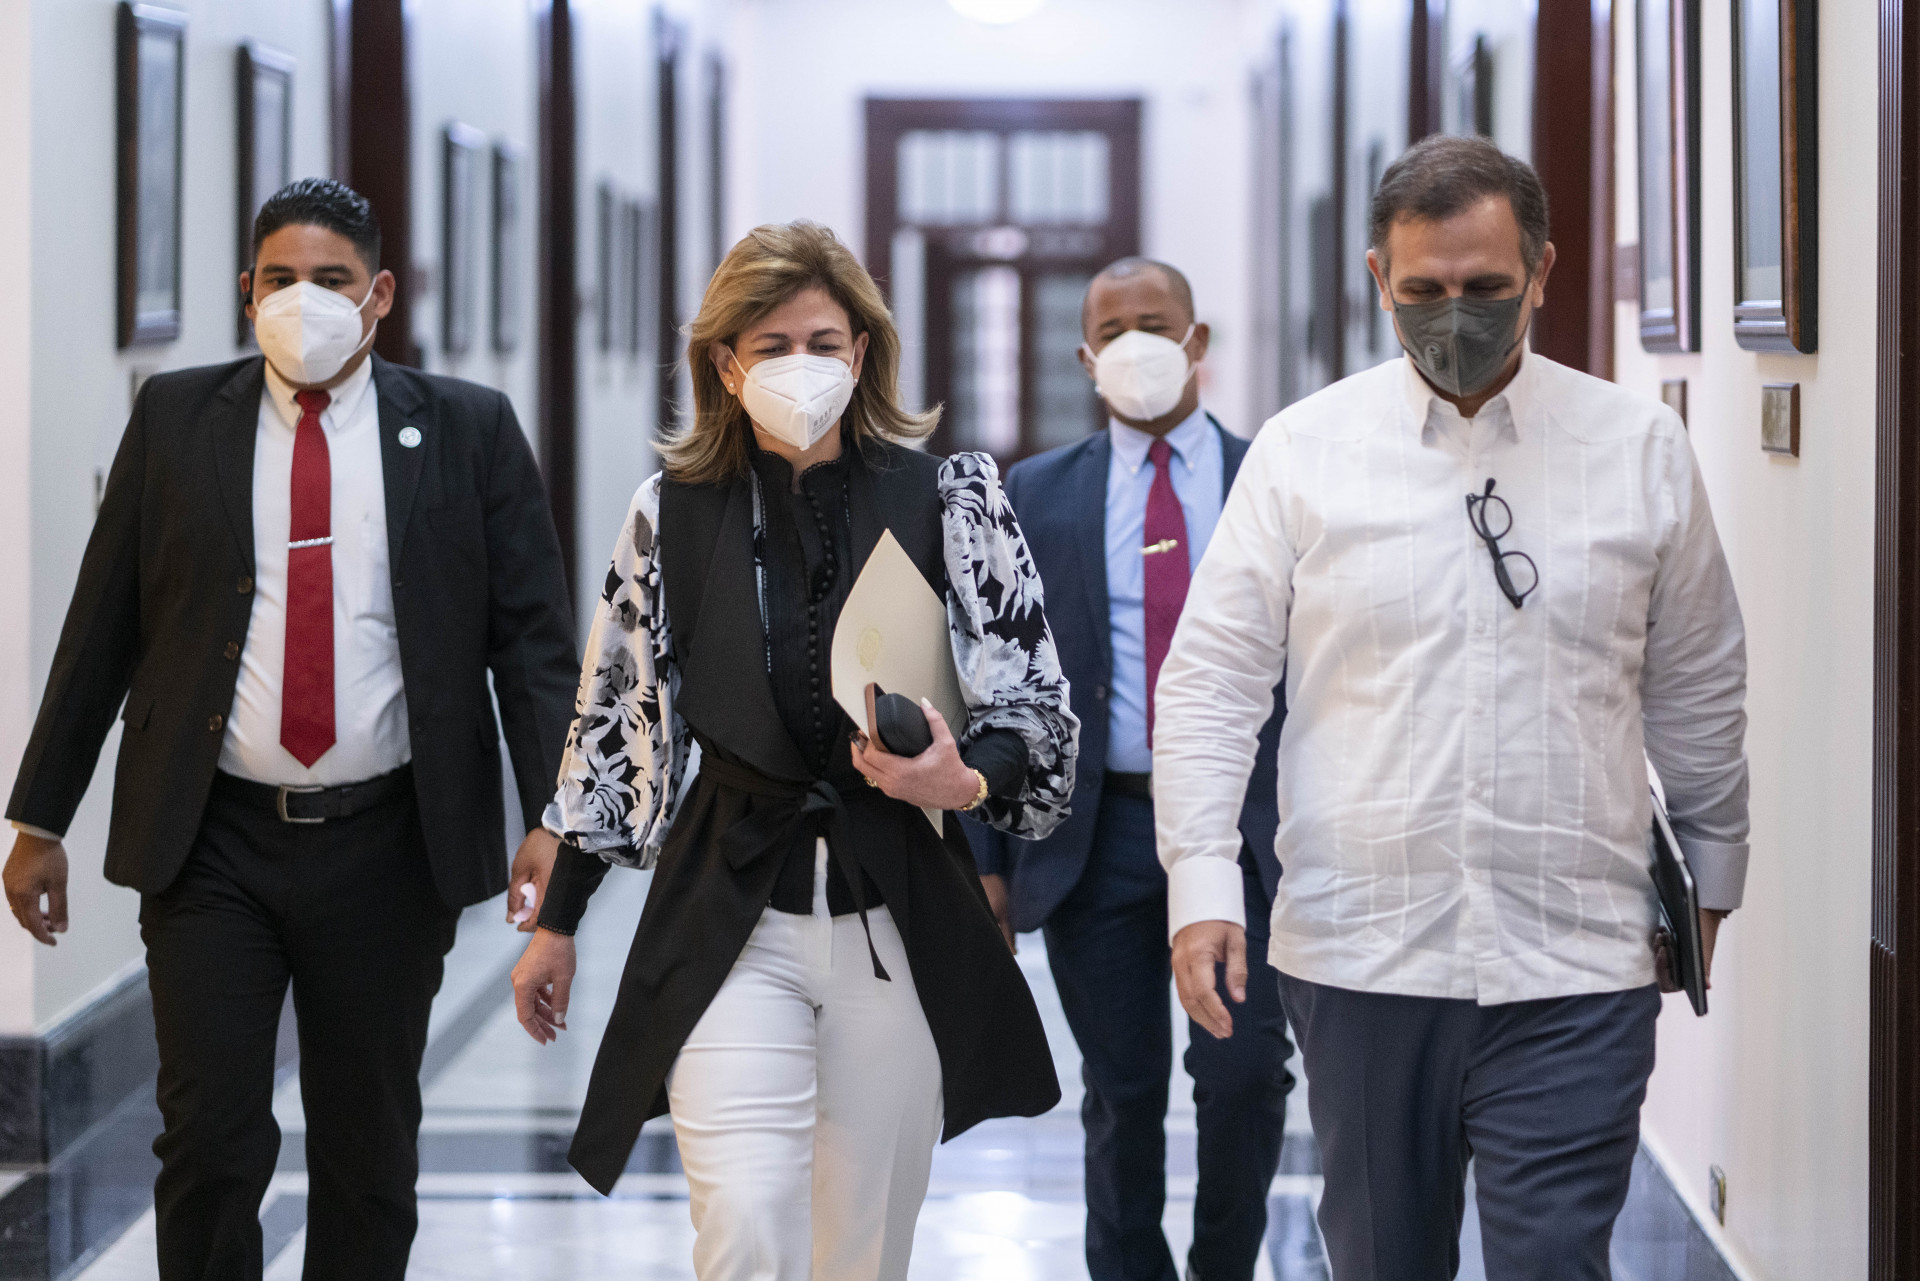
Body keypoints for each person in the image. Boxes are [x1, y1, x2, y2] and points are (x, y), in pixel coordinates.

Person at [1153, 134, 1750, 1280]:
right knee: (1384, 1260)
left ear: (1542, 271)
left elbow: (1697, 680)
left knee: (1555, 1261)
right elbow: (1214, 682)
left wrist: (1711, 875)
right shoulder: (1303, 453)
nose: (1454, 316)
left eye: (1485, 286)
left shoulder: (1637, 448)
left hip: (1578, 958)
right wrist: (1203, 885)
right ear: (1379, 278)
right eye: (1423, 290)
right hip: (1363, 957)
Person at [1, 178, 578, 1280]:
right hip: (212, 838)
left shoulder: (467, 429)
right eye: (279, 279)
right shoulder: (177, 420)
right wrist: (40, 817)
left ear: (380, 296)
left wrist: (554, 819)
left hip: (389, 844)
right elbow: (102, 626)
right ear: (245, 290)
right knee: (209, 1139)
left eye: (330, 279)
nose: (302, 300)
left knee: (368, 1149)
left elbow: (534, 646)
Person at [507, 220, 1077, 1281]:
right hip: (732, 913)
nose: (800, 365)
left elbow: (1033, 704)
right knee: (745, 1226)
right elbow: (617, 726)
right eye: (771, 346)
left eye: (822, 341)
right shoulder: (669, 514)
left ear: (861, 352)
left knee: (862, 1248)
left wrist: (964, 778)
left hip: (894, 912)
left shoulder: (949, 497)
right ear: (726, 365)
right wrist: (560, 923)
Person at [966, 257, 1292, 1281]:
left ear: (1199, 342)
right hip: (1097, 832)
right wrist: (987, 856)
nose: (1136, 344)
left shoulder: (1270, 477)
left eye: (1156, 323)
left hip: (1242, 833)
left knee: (1244, 1075)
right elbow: (992, 677)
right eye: (1113, 331)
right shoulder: (1037, 492)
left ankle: (1224, 1268)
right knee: (1122, 1089)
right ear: (1085, 357)